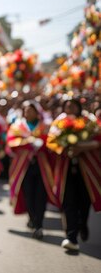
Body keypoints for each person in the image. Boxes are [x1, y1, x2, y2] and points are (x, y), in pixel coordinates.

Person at [47, 98, 101, 251]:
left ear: (78, 107)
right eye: (67, 106)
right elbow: (51, 141)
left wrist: (81, 147)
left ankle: (82, 224)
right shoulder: (58, 123)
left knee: (84, 201)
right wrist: (65, 148)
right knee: (68, 202)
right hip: (66, 169)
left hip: (86, 169)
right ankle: (71, 237)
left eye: (72, 105)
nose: (69, 108)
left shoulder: (89, 121)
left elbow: (98, 139)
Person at [6, 101, 56, 240]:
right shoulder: (17, 126)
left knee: (41, 195)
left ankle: (38, 224)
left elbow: (53, 142)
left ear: (37, 112)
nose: (28, 113)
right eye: (26, 111)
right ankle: (32, 218)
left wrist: (42, 143)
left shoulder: (45, 126)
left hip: (42, 166)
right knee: (28, 194)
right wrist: (27, 142)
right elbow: (10, 143)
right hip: (24, 166)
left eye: (31, 110)